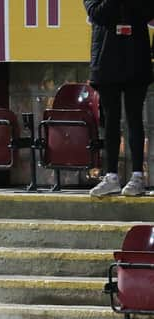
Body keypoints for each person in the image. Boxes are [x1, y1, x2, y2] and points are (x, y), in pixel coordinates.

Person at [85, 0, 153, 197]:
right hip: (106, 60)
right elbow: (96, 13)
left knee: (134, 118)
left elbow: (147, 10)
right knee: (111, 120)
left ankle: (137, 177)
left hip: (135, 58)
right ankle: (111, 176)